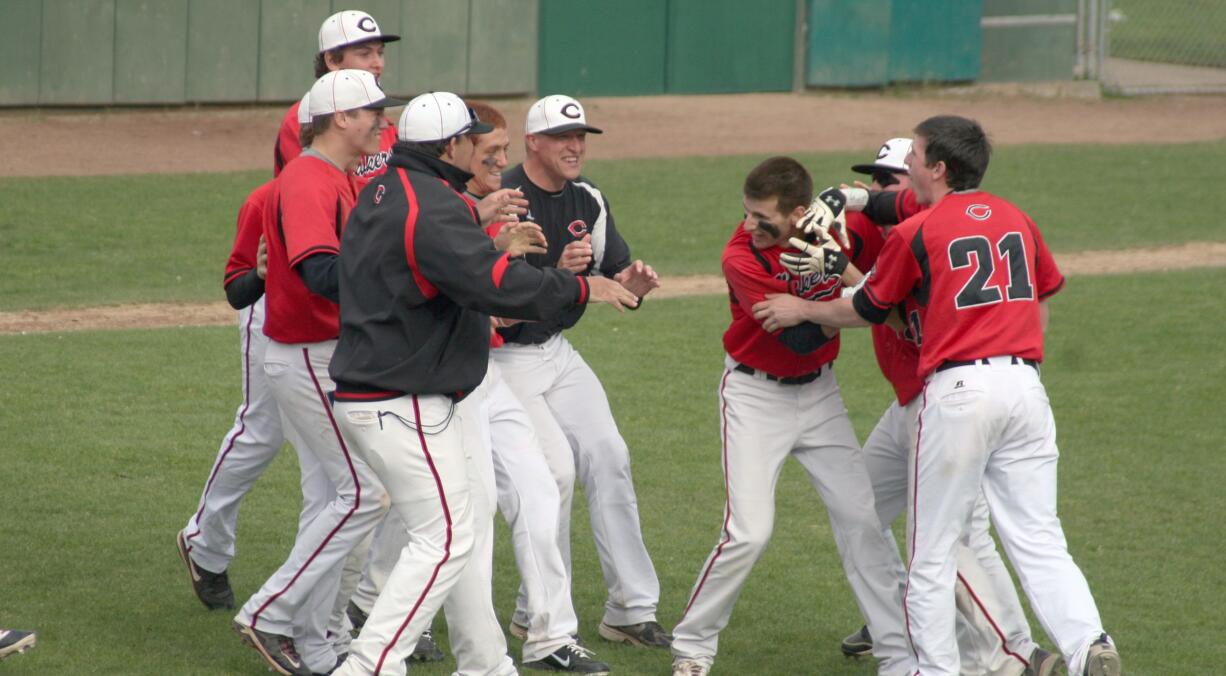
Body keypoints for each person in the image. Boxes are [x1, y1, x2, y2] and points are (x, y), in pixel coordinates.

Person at [757, 116, 1120, 676]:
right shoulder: (1015, 217)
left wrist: (804, 306)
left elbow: (868, 309)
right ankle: (1088, 644)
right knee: (1040, 540)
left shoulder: (917, 232)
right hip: (1025, 385)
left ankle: (936, 670)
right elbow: (1041, 300)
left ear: (938, 168)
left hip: (957, 392)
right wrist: (846, 198)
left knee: (930, 552)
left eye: (915, 157)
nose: (907, 168)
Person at [327, 91, 637, 676]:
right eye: (474, 139)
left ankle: (487, 663)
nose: (483, 148)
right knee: (443, 540)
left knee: (461, 529)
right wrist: (579, 288)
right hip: (401, 399)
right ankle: (369, 665)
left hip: (397, 389)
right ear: (452, 145)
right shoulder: (434, 206)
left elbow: (429, 263)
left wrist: (481, 236)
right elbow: (495, 287)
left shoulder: (392, 189)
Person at [668, 156, 914, 676]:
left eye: (765, 219)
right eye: (747, 213)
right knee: (749, 532)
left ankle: (898, 654)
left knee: (863, 520)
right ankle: (693, 646)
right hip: (756, 398)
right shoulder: (741, 257)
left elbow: (886, 280)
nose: (751, 227)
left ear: (800, 212)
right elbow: (801, 337)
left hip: (820, 396)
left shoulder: (835, 231)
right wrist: (846, 298)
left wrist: (845, 274)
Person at [232, 70, 406, 676]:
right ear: (340, 118)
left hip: (326, 351)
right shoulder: (308, 179)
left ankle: (313, 640)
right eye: (372, 112)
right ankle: (269, 612)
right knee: (364, 493)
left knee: (342, 496)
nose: (382, 122)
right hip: (308, 353)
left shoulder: (331, 178)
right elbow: (320, 271)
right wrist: (399, 285)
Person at [493, 95, 669, 649]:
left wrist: (633, 287)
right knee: (555, 473)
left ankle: (630, 608)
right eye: (563, 137)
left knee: (610, 455)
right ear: (532, 143)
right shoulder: (505, 202)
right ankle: (535, 613)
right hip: (506, 358)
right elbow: (499, 294)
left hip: (557, 353)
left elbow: (613, 276)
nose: (575, 147)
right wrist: (566, 279)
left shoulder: (587, 198)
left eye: (582, 137)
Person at [176, 173, 278, 612]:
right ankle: (205, 542)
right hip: (272, 314)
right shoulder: (264, 200)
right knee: (262, 430)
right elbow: (238, 281)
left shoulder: (366, 185)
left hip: (336, 321)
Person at [274, 9, 400, 184]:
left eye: (380, 53)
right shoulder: (304, 118)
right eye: (365, 54)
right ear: (332, 60)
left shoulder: (379, 119)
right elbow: (308, 183)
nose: (378, 63)